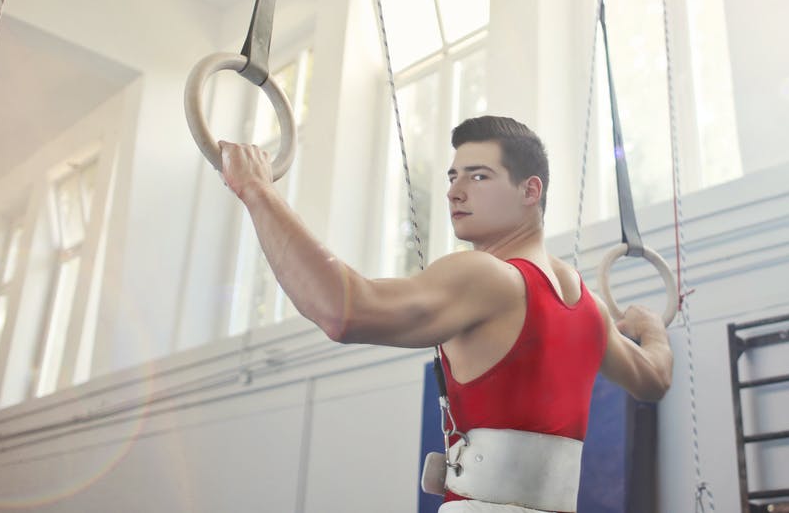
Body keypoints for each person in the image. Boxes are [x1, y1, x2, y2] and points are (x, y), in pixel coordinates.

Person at [219, 115, 673, 513]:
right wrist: (650, 326)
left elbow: (344, 310)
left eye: (478, 177)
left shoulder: (487, 276)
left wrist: (258, 189)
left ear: (530, 190)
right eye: (452, 177)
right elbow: (653, 378)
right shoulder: (589, 308)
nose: (454, 191)